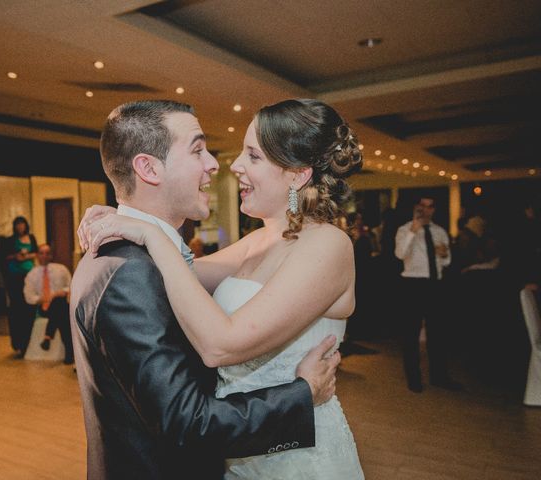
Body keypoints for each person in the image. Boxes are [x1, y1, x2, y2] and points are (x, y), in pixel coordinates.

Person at [78, 99, 364, 479]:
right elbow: (174, 277)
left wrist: (148, 232)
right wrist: (124, 215)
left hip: (297, 457)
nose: (234, 165)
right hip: (237, 451)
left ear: (296, 175)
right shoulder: (257, 242)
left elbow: (220, 345)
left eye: (254, 156)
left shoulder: (329, 245)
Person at [395, 197, 462, 393]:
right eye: (422, 206)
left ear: (434, 209)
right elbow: (400, 254)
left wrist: (444, 255)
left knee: (438, 333)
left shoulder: (440, 231)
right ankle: (414, 379)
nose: (426, 209)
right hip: (413, 285)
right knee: (411, 334)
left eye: (430, 206)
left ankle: (439, 377)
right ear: (416, 208)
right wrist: (413, 231)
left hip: (436, 285)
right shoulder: (404, 229)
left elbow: (447, 260)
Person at [23, 243, 73, 364]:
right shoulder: (31, 274)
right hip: (43, 307)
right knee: (60, 309)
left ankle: (47, 337)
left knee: (59, 303)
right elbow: (29, 297)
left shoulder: (61, 269)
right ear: (37, 255)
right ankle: (69, 350)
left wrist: (60, 292)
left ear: (51, 255)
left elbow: (71, 286)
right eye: (41, 253)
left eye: (47, 253)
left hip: (60, 304)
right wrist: (44, 298)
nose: (44, 256)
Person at [3, 216, 38, 356]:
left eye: (22, 224)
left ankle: (28, 342)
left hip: (29, 275)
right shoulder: (11, 240)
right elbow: (5, 256)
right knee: (16, 308)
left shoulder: (32, 238)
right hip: (14, 277)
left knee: (29, 307)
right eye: (17, 225)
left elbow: (36, 252)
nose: (20, 227)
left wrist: (27, 256)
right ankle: (17, 343)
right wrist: (16, 256)